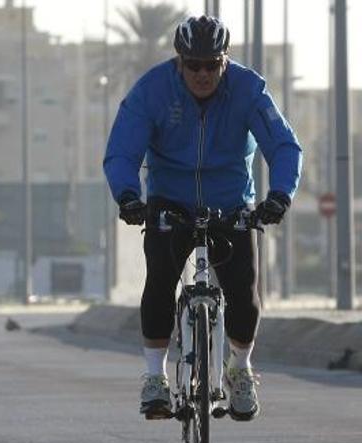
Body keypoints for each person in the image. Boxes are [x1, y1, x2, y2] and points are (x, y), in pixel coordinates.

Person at [103, 16, 302, 421]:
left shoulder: (248, 89)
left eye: (212, 64)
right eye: (193, 64)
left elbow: (283, 146)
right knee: (159, 281)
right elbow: (123, 150)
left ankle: (240, 368)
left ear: (225, 60)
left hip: (230, 203)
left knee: (244, 290)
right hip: (169, 201)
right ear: (180, 62)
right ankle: (154, 376)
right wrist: (127, 196)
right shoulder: (153, 90)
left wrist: (279, 196)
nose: (202, 73)